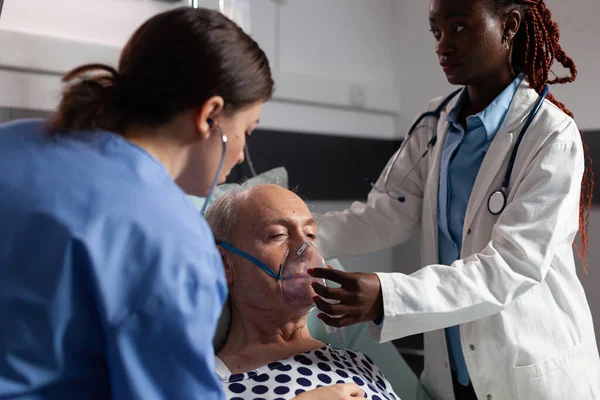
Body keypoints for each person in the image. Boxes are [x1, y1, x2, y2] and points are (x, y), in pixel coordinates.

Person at [0, 7, 358, 400]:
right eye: (246, 131)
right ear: (210, 116)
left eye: (310, 232)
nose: (240, 154)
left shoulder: (12, 143)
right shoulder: (174, 239)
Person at [308, 0, 600, 399]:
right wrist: (298, 234)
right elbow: (383, 216)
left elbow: (510, 267)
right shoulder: (435, 122)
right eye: (436, 31)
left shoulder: (551, 135)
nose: (443, 45)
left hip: (528, 370)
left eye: (459, 27)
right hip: (452, 371)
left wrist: (388, 296)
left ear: (509, 25)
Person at [205, 183, 403, 400]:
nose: (305, 249)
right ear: (224, 262)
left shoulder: (359, 364)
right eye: (277, 235)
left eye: (310, 234)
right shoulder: (207, 384)